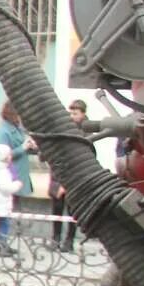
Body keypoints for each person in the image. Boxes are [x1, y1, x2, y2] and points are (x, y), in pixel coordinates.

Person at [0, 101, 34, 259]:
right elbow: (1, 154)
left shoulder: (17, 130)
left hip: (15, 175)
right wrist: (23, 148)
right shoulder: (3, 132)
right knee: (0, 217)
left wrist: (30, 146)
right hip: (7, 178)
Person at [49, 99, 91, 252]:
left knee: (73, 212)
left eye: (75, 113)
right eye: (70, 113)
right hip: (58, 175)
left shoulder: (86, 131)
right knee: (57, 210)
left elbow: (77, 158)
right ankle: (55, 238)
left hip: (74, 179)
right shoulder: (63, 127)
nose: (72, 116)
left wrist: (65, 184)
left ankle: (69, 241)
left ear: (83, 114)